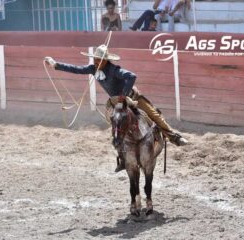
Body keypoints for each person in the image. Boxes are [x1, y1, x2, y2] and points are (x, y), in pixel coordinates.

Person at [44, 45, 188, 171]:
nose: (95, 62)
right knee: (117, 128)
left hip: (133, 98)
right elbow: (76, 69)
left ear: (105, 61)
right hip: (116, 102)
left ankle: (174, 137)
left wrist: (123, 96)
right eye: (94, 59)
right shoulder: (93, 69)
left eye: (98, 60)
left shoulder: (114, 70)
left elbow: (132, 76)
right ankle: (122, 158)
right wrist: (55, 64)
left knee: (154, 115)